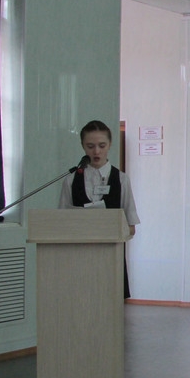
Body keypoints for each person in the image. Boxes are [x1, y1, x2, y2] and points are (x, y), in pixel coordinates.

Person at [59, 120, 140, 298]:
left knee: (109, 303)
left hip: (111, 256)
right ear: (82, 146)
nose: (96, 152)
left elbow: (131, 226)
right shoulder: (71, 180)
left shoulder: (121, 179)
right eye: (90, 146)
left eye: (102, 146)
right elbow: (62, 222)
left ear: (110, 145)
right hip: (78, 256)